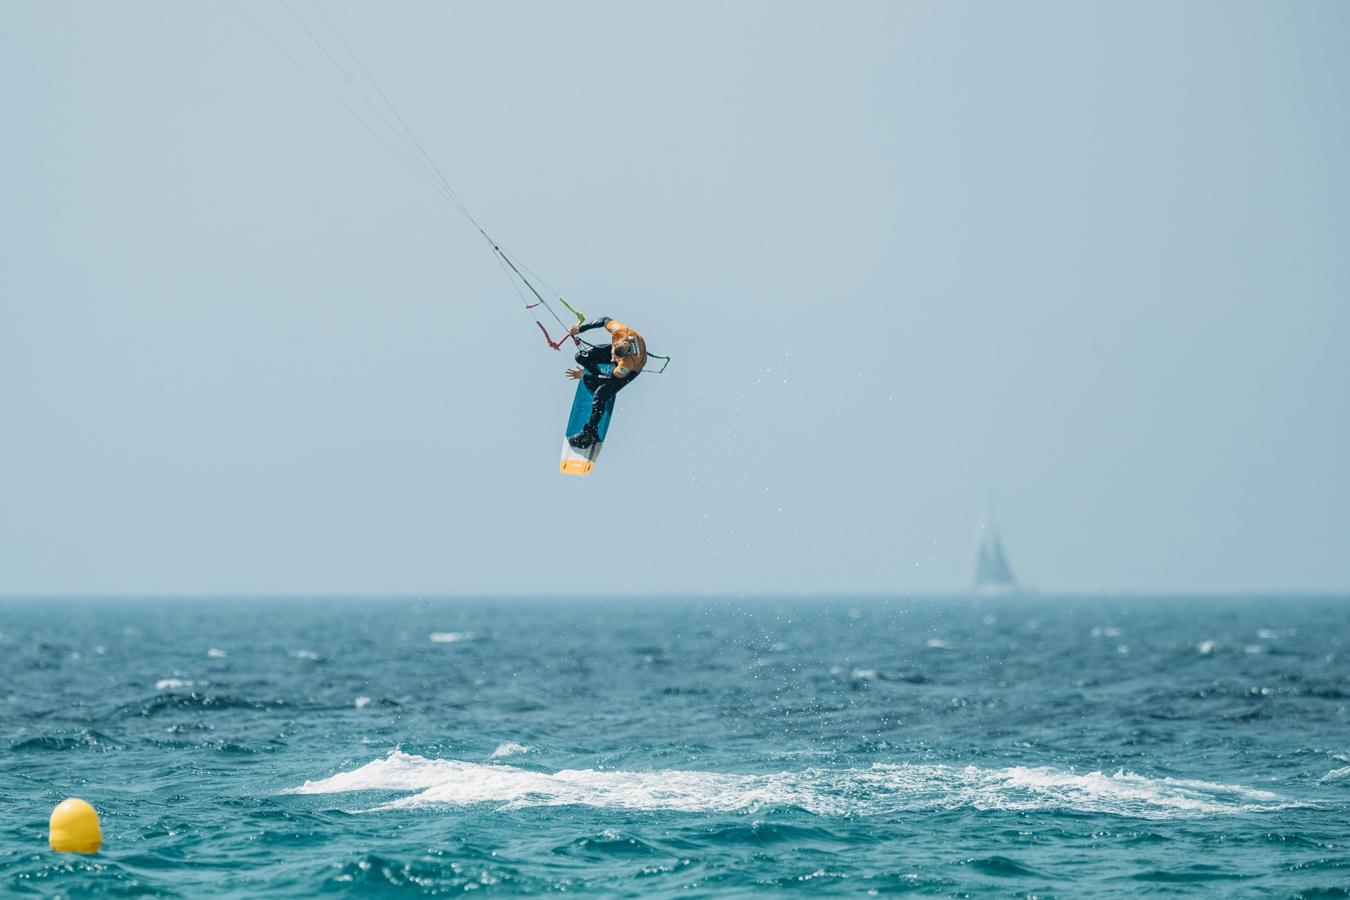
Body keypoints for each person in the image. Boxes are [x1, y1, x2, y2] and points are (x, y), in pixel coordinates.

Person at [564, 316, 647, 449]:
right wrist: (580, 329)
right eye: (613, 355)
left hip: (632, 370)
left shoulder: (626, 365)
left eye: (615, 358)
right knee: (581, 357)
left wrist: (584, 376)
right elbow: (604, 320)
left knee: (600, 395)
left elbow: (612, 379)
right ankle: (596, 378)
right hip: (622, 348)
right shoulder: (620, 331)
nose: (612, 359)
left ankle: (590, 434)